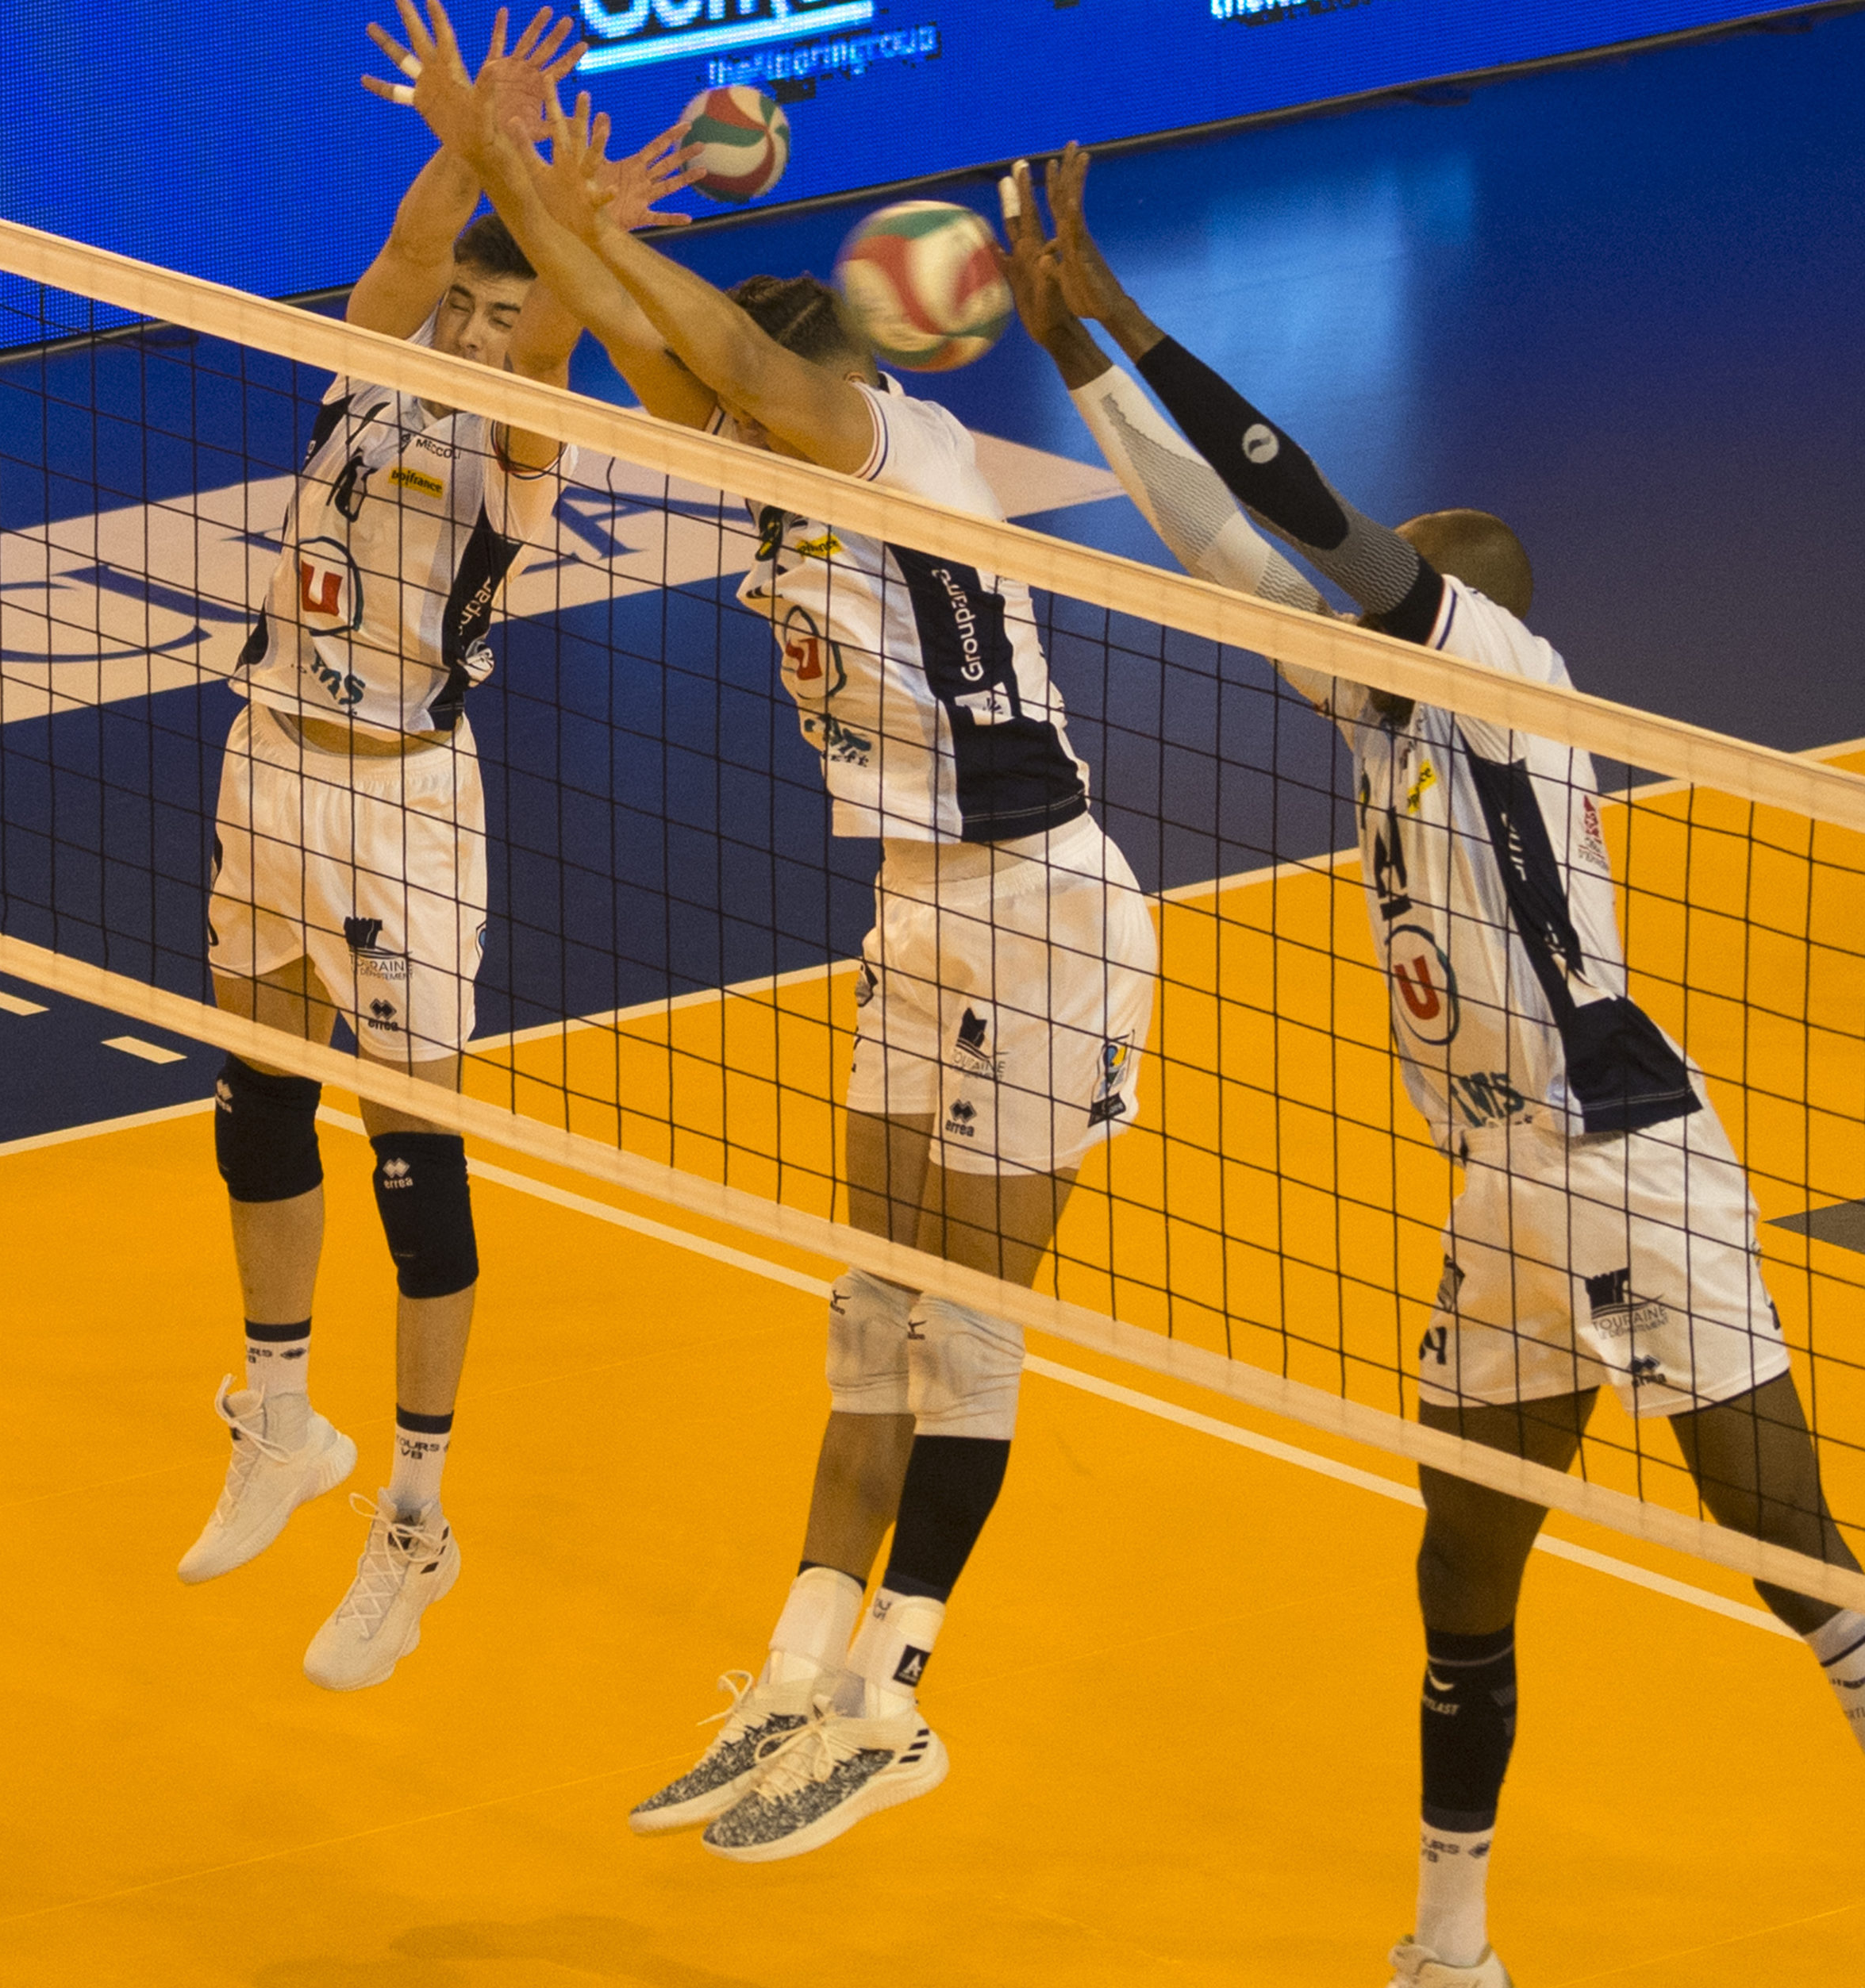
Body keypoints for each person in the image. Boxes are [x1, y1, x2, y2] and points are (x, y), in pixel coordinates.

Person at [1009, 142, 1865, 1988]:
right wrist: (1067, 348)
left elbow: (1297, 503)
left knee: (1786, 1540)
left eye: (1377, 593)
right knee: (1459, 1566)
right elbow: (1217, 539)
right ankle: (1448, 1944)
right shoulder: (1379, 701)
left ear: (1449, 607)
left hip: (1617, 1144)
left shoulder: (1488, 663)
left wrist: (1130, 308)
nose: (1342, 609)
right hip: (1495, 1185)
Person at [455, 71, 1160, 1857]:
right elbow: (653, 348)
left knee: (966, 1332)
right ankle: (792, 1674)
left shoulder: (878, 442)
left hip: (1045, 912)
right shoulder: (775, 470)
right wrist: (519, 180)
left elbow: (719, 353)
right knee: (867, 1311)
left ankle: (894, 1703)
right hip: (916, 909)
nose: (720, 416)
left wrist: (597, 220)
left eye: (746, 397)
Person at [174, 4, 625, 1691]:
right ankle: (283, 1418)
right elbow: (412, 249)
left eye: (505, 315)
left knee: (411, 1158)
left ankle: (418, 1518)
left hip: (404, 812)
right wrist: (464, 135)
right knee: (255, 1097)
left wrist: (545, 200)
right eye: (468, 309)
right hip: (266, 761)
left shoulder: (519, 442)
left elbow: (554, 337)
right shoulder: (371, 363)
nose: (478, 327)